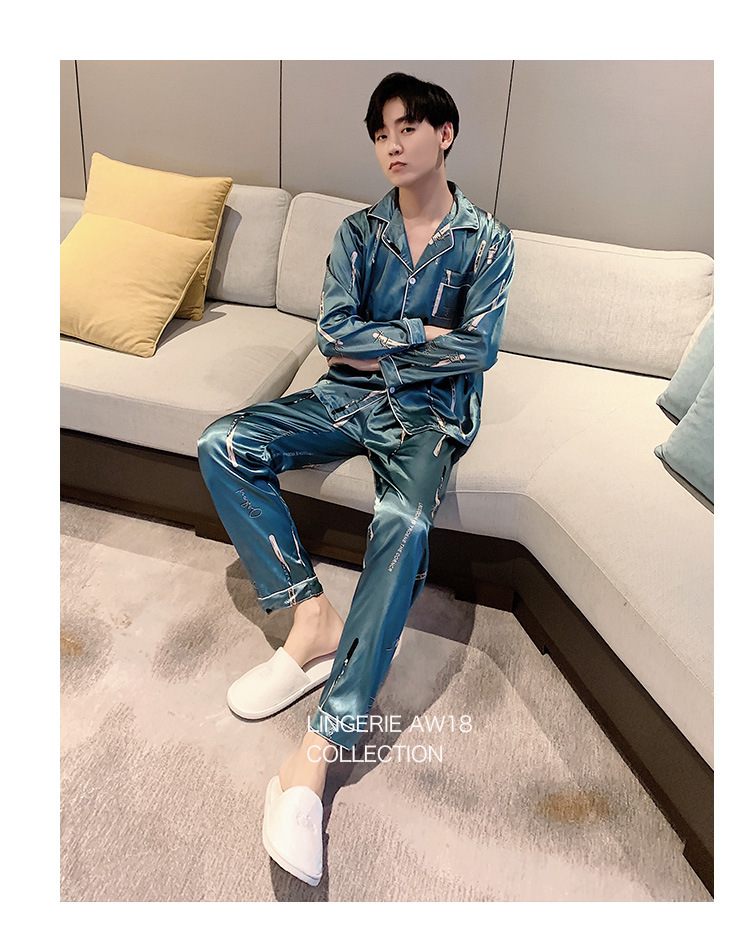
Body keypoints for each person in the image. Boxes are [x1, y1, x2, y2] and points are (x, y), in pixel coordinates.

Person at [197, 71, 515, 886]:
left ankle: (316, 754)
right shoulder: (356, 232)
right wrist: (422, 333)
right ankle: (311, 619)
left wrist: (391, 343)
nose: (392, 145)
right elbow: (334, 335)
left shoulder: (488, 240)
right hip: (345, 398)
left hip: (429, 417)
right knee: (223, 443)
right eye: (380, 133)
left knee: (403, 523)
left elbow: (477, 349)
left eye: (407, 128)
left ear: (444, 134)